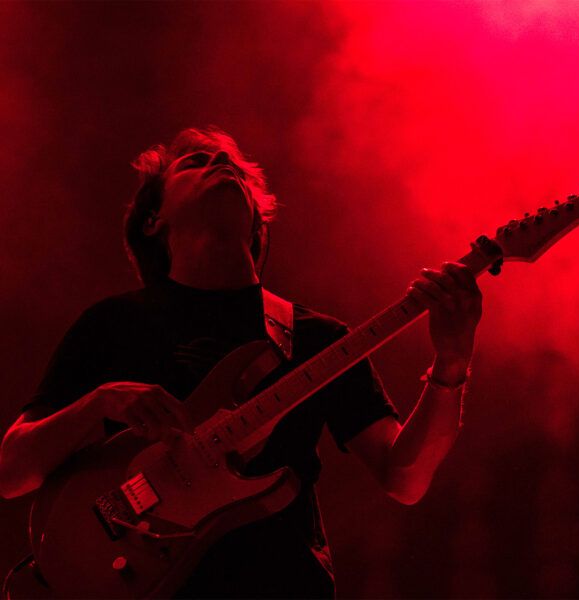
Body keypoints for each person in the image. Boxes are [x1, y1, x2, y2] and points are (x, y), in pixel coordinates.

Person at [0, 127, 482, 598]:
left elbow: (404, 478)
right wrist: (100, 402)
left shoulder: (316, 337)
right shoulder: (112, 324)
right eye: (196, 163)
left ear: (256, 222)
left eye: (233, 167)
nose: (221, 164)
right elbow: (11, 471)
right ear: (153, 220)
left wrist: (451, 360)